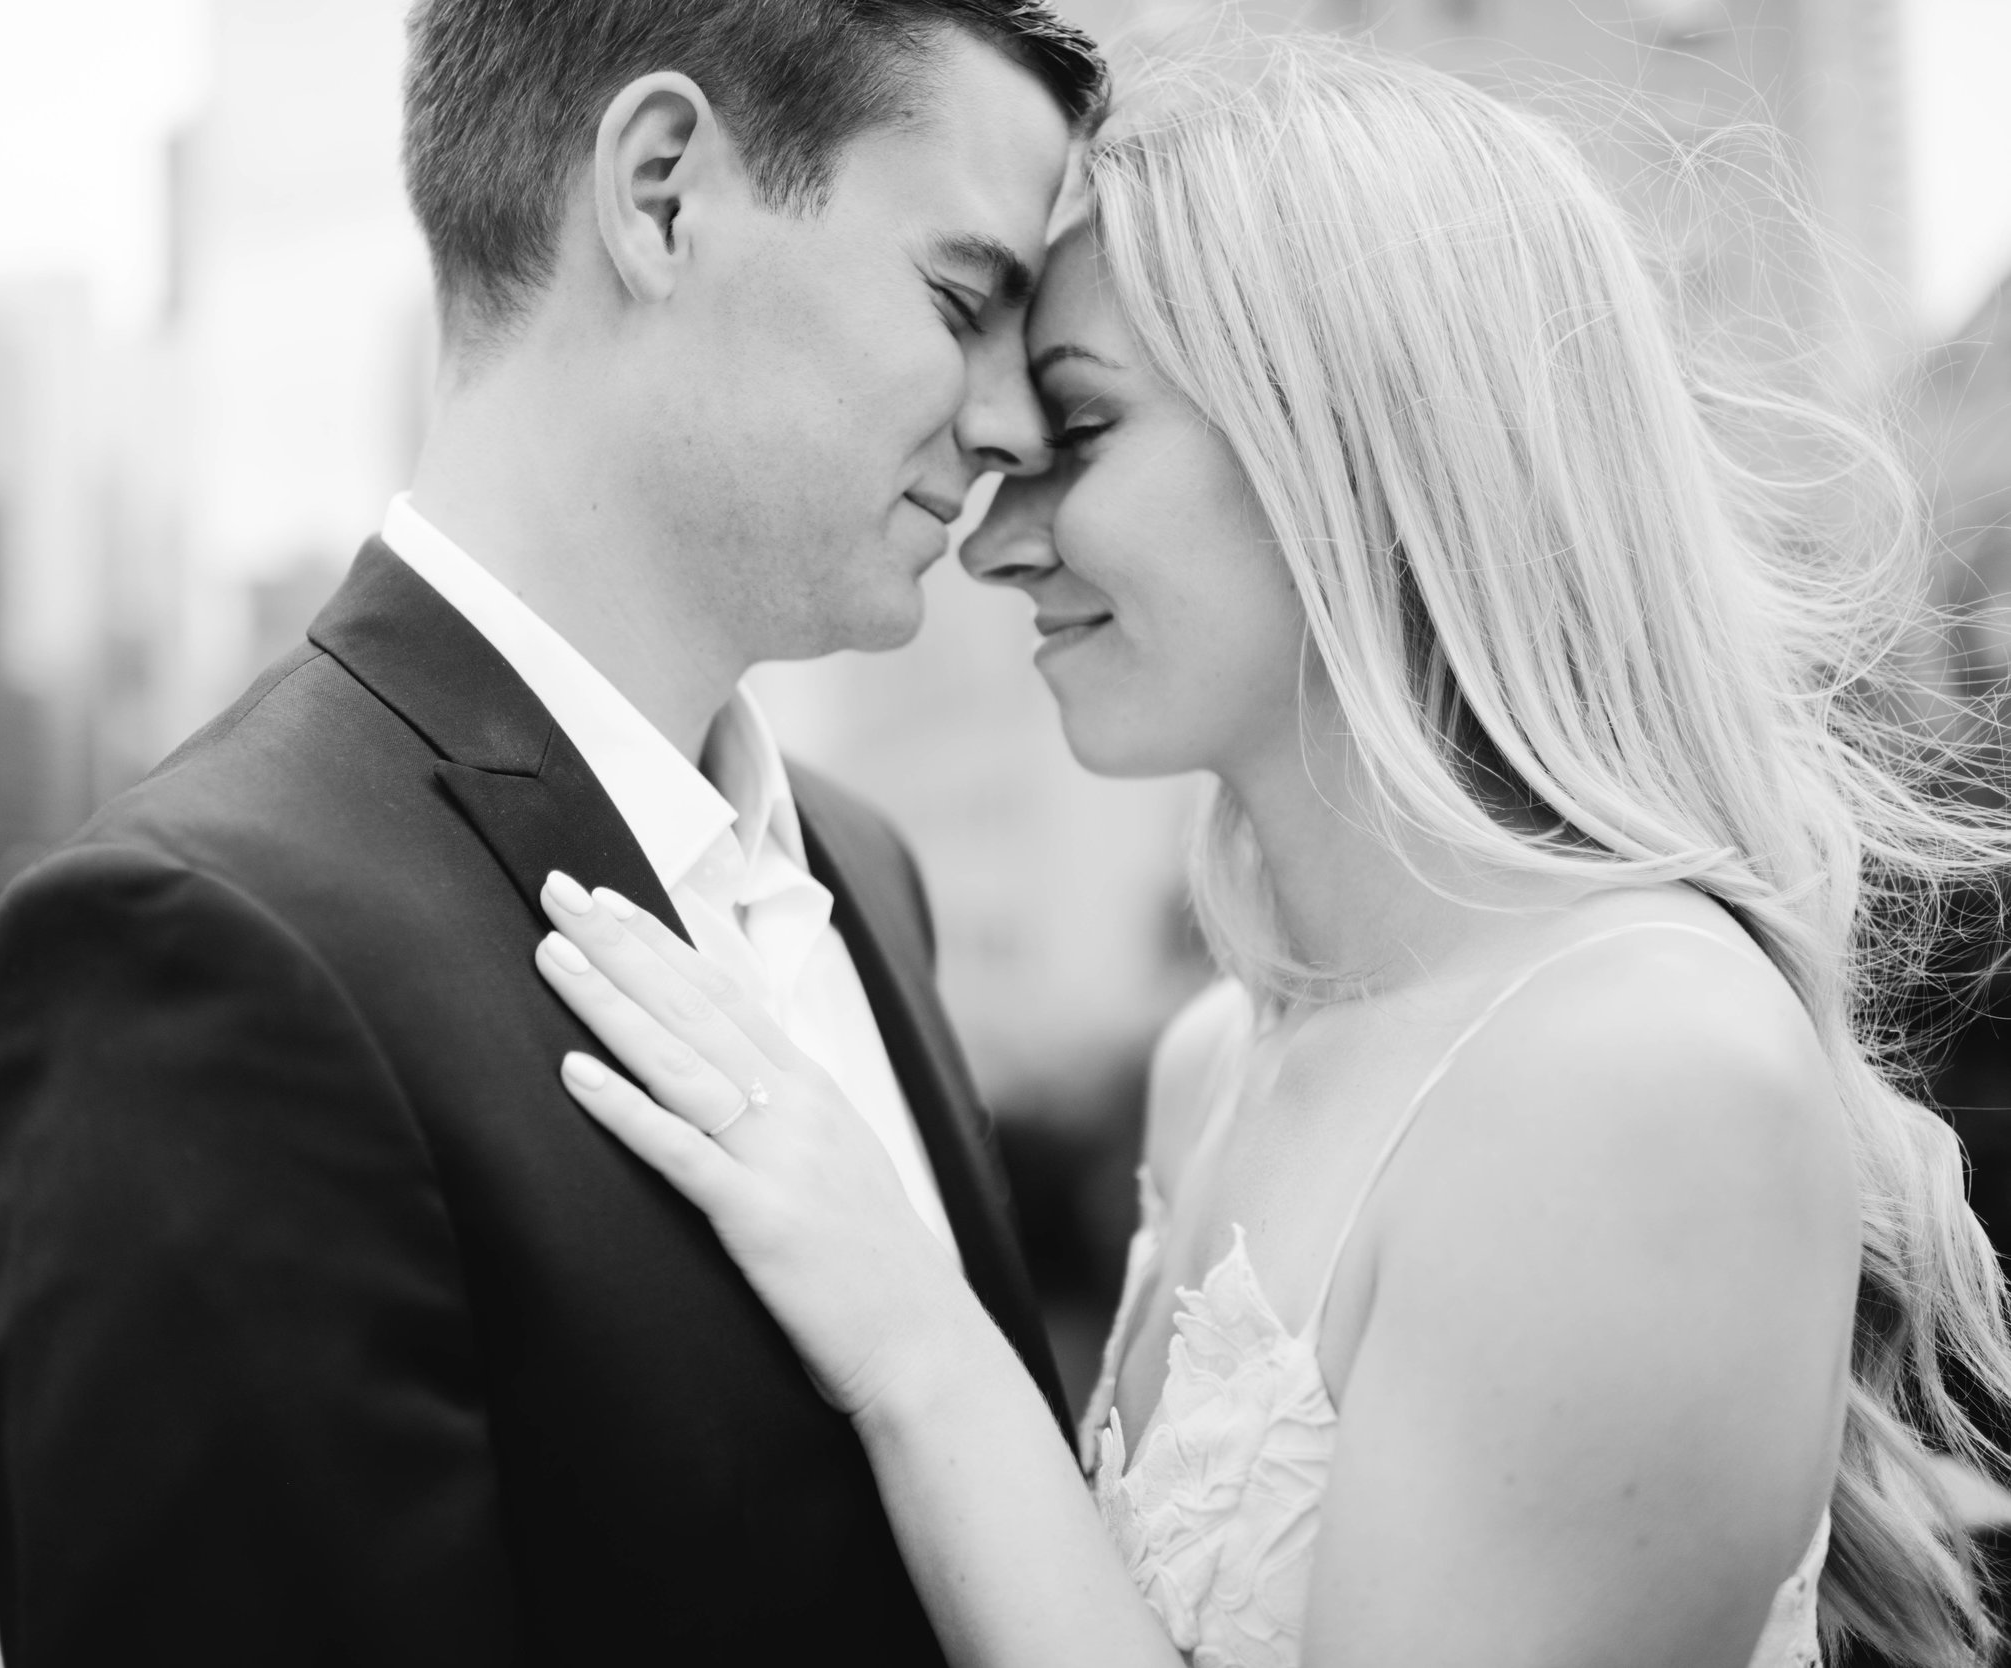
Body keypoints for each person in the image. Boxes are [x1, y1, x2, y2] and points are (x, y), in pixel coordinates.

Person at [525, 32, 2011, 1668]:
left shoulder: (1642, 1073)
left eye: (1075, 435)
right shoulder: (1219, 1059)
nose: (994, 541)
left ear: (1357, 454)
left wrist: (920, 1351)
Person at [0, 3, 1103, 1664]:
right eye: (959, 298)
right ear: (661, 195)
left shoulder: (868, 877)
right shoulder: (196, 956)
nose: (1014, 425)